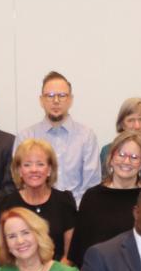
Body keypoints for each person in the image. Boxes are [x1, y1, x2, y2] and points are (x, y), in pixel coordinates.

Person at [14, 71, 100, 203]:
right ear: (41, 100)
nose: (56, 101)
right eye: (50, 96)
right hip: (34, 213)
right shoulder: (25, 137)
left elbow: (91, 184)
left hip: (77, 212)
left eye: (62, 95)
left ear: (70, 99)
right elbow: (19, 180)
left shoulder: (86, 136)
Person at [69, 131, 141, 267]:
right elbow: (79, 252)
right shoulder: (92, 197)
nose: (126, 161)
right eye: (121, 155)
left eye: (134, 157)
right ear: (111, 159)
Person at [0, 139, 76, 262]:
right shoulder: (7, 204)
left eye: (40, 164)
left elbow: (70, 254)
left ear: (49, 170)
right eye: (27, 164)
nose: (34, 170)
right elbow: (4, 252)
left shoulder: (64, 201)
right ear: (19, 171)